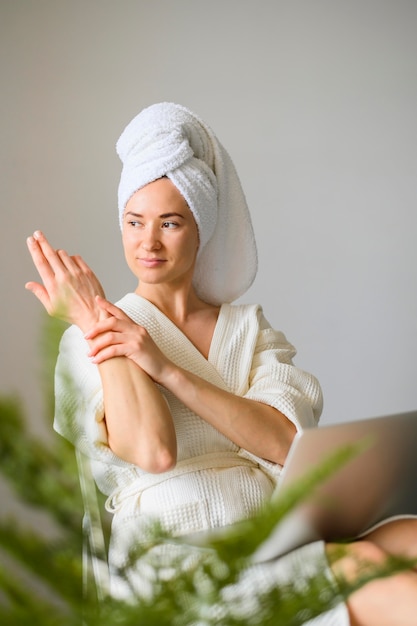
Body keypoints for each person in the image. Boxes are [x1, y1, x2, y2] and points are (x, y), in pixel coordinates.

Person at [26, 102, 417, 625]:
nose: (148, 242)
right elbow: (153, 451)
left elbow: (283, 440)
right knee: (366, 565)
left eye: (170, 223)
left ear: (201, 227)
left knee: (409, 536)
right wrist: (98, 321)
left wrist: (166, 370)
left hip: (271, 538)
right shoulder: (88, 337)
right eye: (134, 221)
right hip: (178, 566)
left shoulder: (248, 329)